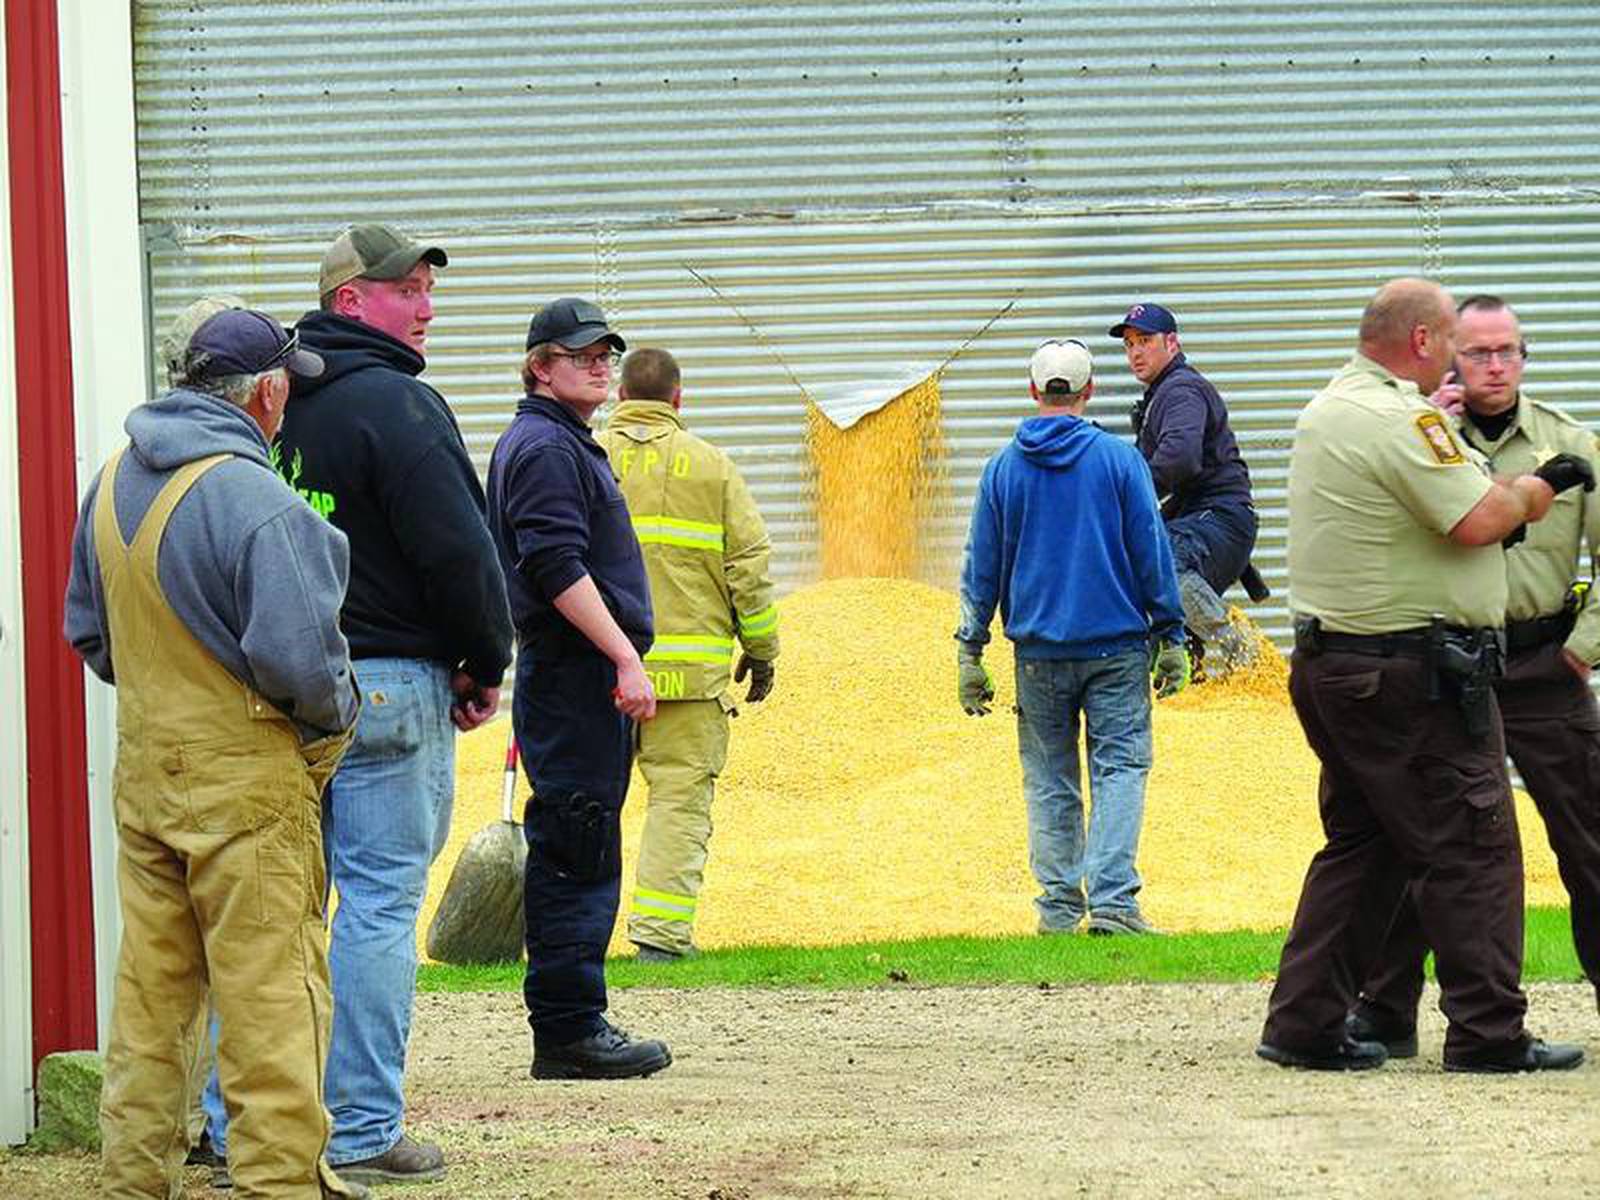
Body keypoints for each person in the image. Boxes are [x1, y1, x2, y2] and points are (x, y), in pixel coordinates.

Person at [204, 223, 515, 1185]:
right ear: (351, 301)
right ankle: (359, 1130)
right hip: (386, 687)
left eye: (428, 289)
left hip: (270, 691)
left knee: (271, 914)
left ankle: (232, 1130)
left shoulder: (262, 408)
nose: (426, 306)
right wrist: (483, 659)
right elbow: (460, 552)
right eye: (407, 290)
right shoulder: (401, 406)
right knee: (376, 907)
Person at [64, 309, 367, 1198]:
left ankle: (132, 1183)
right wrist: (334, 722)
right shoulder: (258, 502)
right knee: (274, 1002)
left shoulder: (113, 479)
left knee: (153, 1005)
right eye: (288, 387)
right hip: (248, 788)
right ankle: (279, 1187)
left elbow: (90, 631)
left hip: (147, 776)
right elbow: (308, 669)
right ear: (267, 394)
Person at [1258, 277, 1591, 1073]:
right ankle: (1487, 1036)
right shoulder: (1401, 418)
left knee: (1366, 846)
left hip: (1347, 667)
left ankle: (1304, 1024)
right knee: (1474, 846)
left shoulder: (1332, 405)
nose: (1468, 361)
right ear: (1421, 343)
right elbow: (1479, 519)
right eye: (1455, 343)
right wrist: (1542, 488)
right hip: (1410, 675)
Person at [1349, 294, 1600, 1051]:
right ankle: (1385, 1011)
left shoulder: (1568, 441)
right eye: (1479, 352)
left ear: (1525, 357)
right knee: (1424, 840)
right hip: (1452, 669)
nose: (1495, 366)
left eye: (1508, 351)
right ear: (1451, 355)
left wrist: (1578, 650)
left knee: (1589, 839)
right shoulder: (1420, 435)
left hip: (1544, 664)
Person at [487, 297, 672, 1078]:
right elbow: (555, 566)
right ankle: (567, 1029)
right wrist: (624, 658)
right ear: (540, 367)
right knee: (575, 839)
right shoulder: (545, 449)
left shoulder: (561, 441)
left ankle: (574, 1016)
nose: (600, 363)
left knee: (581, 834)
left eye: (606, 353)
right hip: (572, 674)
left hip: (573, 673)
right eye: (580, 354)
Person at [955, 339, 1189, 938]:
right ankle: (1113, 904)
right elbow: (1150, 550)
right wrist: (1171, 634)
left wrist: (971, 647)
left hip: (1037, 657)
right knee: (1120, 769)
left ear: (1034, 392)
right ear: (1089, 392)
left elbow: (983, 564)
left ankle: (1059, 910)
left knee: (1050, 780)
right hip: (1115, 649)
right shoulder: (1118, 461)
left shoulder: (1004, 468)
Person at [595, 348, 780, 963]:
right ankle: (661, 937)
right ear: (678, 401)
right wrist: (762, 650)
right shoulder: (714, 468)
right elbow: (748, 570)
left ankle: (577, 935)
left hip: (596, 676)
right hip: (691, 683)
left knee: (587, 804)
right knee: (677, 805)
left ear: (621, 397)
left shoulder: (584, 456)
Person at [1109, 302, 1259, 677]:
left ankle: (1240, 647)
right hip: (1200, 519)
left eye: (1145, 340)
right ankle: (1181, 673)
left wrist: (1128, 497)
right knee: (1133, 566)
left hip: (1220, 517)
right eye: (1129, 344)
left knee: (1160, 558)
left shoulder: (1181, 391)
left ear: (1172, 343)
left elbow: (1179, 460)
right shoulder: (1161, 395)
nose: (1136, 352)